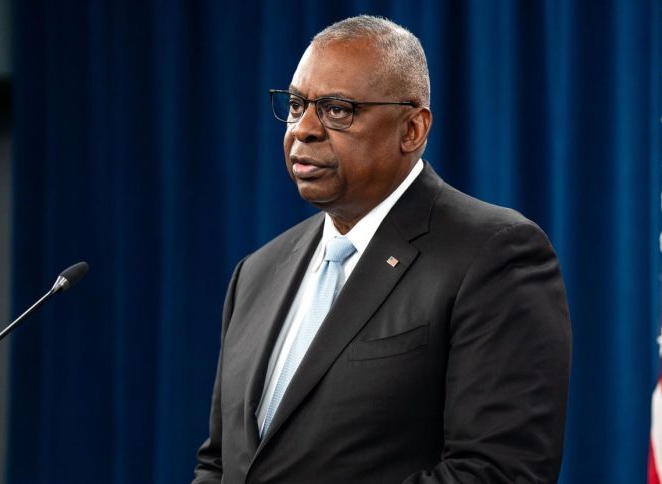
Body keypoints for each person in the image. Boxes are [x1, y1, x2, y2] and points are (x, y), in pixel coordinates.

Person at [193, 15, 571, 484]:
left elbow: (499, 472)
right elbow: (220, 464)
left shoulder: (494, 254)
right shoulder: (256, 272)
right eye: (295, 105)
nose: (303, 129)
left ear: (411, 129)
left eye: (336, 110)